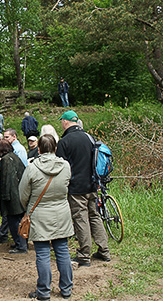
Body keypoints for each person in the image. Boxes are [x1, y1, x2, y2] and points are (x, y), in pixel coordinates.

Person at [19, 134, 74, 300]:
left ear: (40, 149)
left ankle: (43, 291)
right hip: (62, 212)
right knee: (62, 251)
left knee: (42, 253)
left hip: (39, 214)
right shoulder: (65, 166)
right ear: (55, 148)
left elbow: (22, 194)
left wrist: (27, 209)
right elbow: (67, 186)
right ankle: (66, 289)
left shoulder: (32, 168)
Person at [56, 110, 111, 267]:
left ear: (66, 122)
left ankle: (84, 255)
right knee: (94, 216)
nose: (61, 124)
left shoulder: (64, 142)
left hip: (76, 188)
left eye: (62, 121)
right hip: (93, 185)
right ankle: (104, 251)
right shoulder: (89, 138)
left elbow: (61, 167)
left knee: (80, 218)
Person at [0, 139, 27, 254]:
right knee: (19, 220)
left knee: (14, 221)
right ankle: (21, 242)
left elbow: (6, 179)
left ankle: (20, 245)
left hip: (11, 196)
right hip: (18, 193)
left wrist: (4, 197)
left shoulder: (5, 160)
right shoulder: (14, 157)